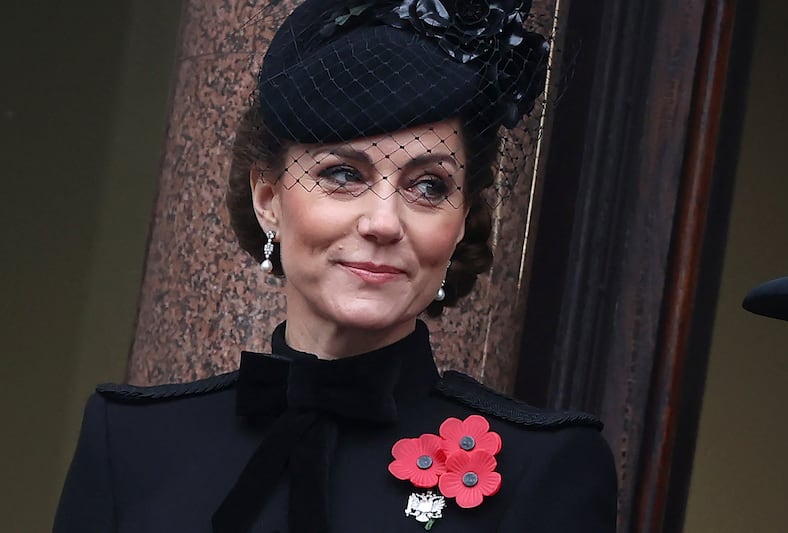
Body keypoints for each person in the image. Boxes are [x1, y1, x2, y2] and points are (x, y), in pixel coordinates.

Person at [54, 0, 617, 531]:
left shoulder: (541, 466)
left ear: (463, 220)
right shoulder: (129, 442)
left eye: (428, 186)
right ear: (268, 197)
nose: (383, 222)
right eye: (343, 175)